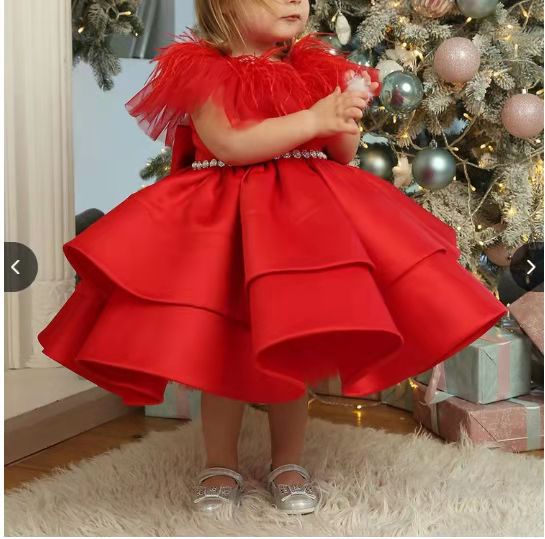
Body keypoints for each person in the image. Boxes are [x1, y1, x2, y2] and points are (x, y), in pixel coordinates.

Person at [37, 0, 509, 516]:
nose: (294, 2)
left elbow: (339, 154)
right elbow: (229, 144)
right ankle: (220, 464)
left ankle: (289, 463)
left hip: (298, 227)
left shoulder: (312, 67)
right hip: (229, 228)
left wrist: (344, 118)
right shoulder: (204, 70)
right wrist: (314, 117)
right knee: (225, 354)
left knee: (291, 352)